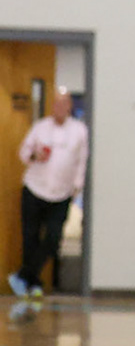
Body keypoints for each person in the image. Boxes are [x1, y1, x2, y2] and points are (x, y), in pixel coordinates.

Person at [11, 88, 87, 298]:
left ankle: (22, 276)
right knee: (30, 237)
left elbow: (81, 161)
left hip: (61, 194)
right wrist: (35, 155)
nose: (59, 108)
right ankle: (32, 284)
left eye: (64, 104)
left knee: (53, 238)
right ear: (52, 106)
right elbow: (23, 153)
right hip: (34, 190)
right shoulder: (40, 127)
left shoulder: (79, 130)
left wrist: (76, 187)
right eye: (56, 103)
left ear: (69, 106)